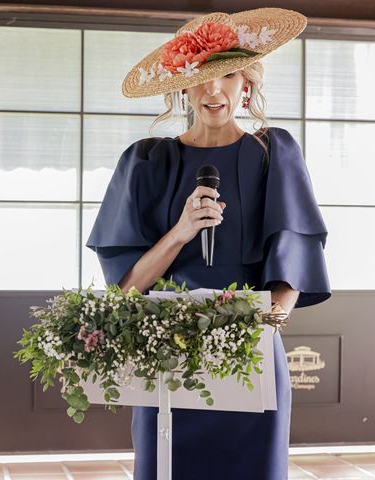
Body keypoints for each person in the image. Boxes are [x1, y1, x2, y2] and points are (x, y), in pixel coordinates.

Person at [87, 8, 330, 480]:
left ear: (247, 85)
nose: (213, 90)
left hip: (252, 350)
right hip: (166, 354)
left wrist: (254, 338)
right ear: (182, 85)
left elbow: (293, 269)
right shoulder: (143, 161)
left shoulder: (274, 152)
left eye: (229, 75)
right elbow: (126, 288)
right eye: (200, 76)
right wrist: (180, 231)